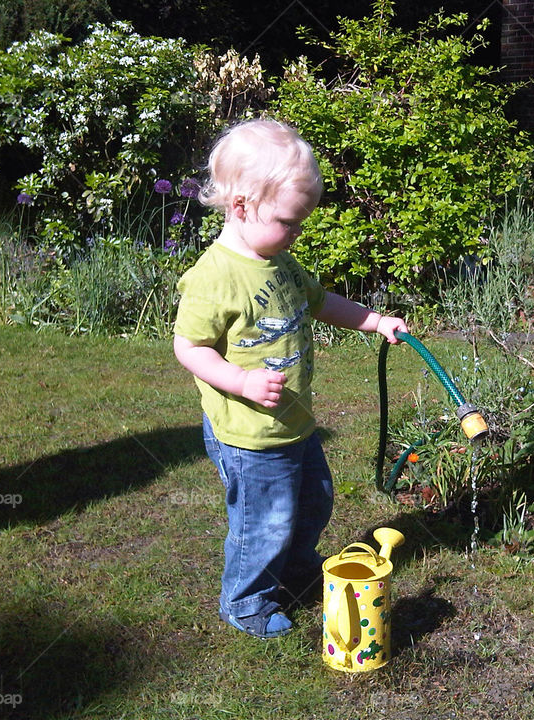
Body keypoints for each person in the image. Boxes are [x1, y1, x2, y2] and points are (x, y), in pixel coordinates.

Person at [173, 118, 408, 639]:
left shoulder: (278, 261)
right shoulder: (215, 277)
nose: (296, 233)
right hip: (249, 432)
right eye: (288, 221)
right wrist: (239, 381)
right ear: (241, 207)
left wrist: (375, 321)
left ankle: (296, 566)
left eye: (301, 223)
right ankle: (247, 600)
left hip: (294, 422)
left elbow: (321, 302)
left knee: (315, 498)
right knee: (264, 521)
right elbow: (187, 347)